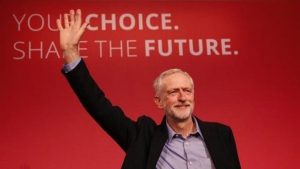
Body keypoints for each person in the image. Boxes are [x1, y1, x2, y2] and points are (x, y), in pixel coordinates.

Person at [57, 9, 241, 169]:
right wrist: (71, 52)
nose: (182, 97)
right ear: (159, 102)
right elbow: (99, 107)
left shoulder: (221, 134)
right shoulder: (143, 137)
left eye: (187, 90)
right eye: (173, 92)